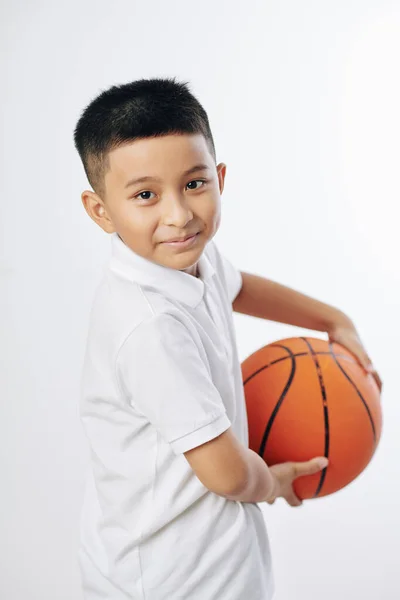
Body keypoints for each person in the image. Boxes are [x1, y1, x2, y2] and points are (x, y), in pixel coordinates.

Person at [73, 77, 382, 600]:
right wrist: (275, 483)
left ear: (219, 178)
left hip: (211, 549)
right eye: (145, 195)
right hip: (166, 575)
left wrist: (333, 318)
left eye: (193, 184)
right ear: (101, 210)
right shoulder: (149, 327)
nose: (179, 214)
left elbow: (239, 287)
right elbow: (227, 475)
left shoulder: (187, 257)